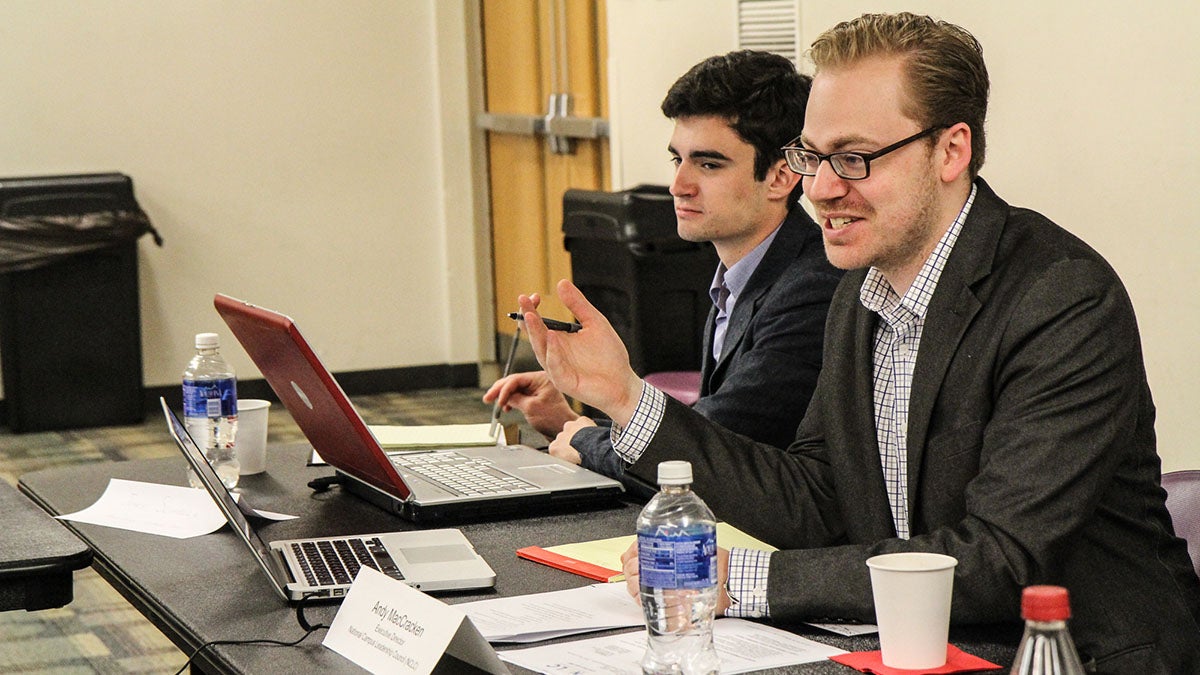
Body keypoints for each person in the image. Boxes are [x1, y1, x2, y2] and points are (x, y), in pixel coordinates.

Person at [513, 12, 1200, 673]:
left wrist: (743, 577)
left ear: (951, 150)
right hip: (924, 642)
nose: (821, 189)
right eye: (812, 155)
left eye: (854, 158)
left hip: (1071, 653)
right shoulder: (861, 292)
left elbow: (1000, 558)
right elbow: (817, 496)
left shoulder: (1061, 297)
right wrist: (625, 399)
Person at [484, 50, 841, 496]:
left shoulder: (814, 288)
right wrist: (583, 415)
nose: (679, 185)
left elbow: (707, 449)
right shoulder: (742, 272)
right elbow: (701, 431)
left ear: (780, 177)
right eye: (678, 160)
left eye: (708, 164)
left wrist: (586, 436)